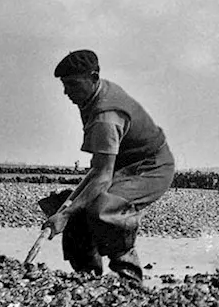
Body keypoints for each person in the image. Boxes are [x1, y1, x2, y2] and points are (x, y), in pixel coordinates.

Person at [42, 50, 175, 284]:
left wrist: (66, 214)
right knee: (75, 208)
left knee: (104, 208)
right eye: (64, 85)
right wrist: (67, 208)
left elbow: (102, 176)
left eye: (72, 84)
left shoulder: (107, 116)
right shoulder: (95, 95)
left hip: (152, 168)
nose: (66, 92)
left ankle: (129, 277)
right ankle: (87, 277)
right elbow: (98, 170)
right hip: (123, 165)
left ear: (93, 78)